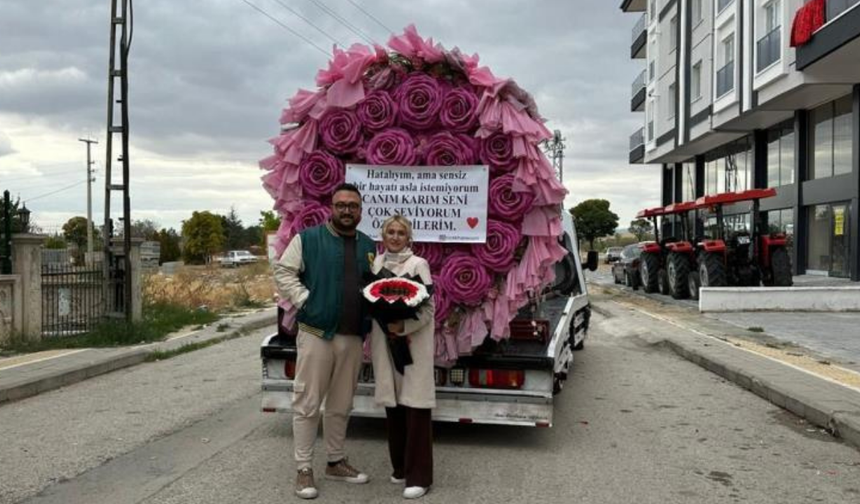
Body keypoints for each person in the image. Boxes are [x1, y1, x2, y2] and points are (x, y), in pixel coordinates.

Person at [273, 182, 378, 500]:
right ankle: (304, 469)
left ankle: (335, 461)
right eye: (341, 205)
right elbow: (283, 272)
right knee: (307, 403)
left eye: (353, 206)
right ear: (332, 208)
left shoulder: (368, 245)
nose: (347, 210)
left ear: (360, 211)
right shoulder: (307, 239)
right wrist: (306, 300)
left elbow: (374, 285)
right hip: (317, 334)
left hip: (351, 336)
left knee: (340, 405)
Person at [369, 215, 436, 500]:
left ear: (409, 237)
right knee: (394, 407)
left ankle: (420, 476)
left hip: (412, 345)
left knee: (416, 407)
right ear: (383, 236)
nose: (395, 237)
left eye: (401, 233)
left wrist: (404, 325)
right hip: (386, 343)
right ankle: (400, 468)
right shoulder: (377, 264)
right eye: (390, 232)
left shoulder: (418, 265)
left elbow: (428, 308)